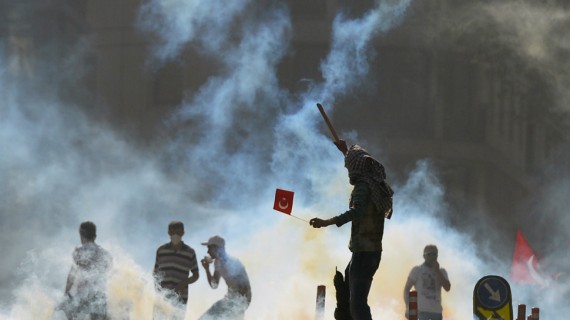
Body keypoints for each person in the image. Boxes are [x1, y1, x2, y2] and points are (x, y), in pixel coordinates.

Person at [310, 140, 394, 320]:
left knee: (357, 304)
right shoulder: (376, 184)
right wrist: (345, 151)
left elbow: (357, 211)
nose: (348, 170)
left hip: (363, 253)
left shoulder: (363, 187)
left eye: (349, 166)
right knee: (350, 298)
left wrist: (326, 222)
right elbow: (358, 163)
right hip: (370, 252)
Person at [60, 221, 113, 320]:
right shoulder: (105, 254)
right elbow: (109, 274)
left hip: (83, 296)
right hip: (100, 296)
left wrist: (66, 293)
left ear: (81, 235)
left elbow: (72, 275)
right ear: (95, 236)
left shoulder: (79, 251)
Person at [199, 235, 252, 320]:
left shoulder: (233, 262)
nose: (208, 251)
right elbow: (214, 285)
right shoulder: (217, 262)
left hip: (239, 301)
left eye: (209, 248)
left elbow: (244, 288)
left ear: (216, 248)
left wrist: (239, 309)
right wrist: (207, 269)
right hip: (230, 299)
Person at [153, 221, 199, 306]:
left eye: (178, 232)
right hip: (162, 298)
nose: (175, 235)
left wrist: (184, 283)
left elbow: (196, 275)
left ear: (183, 233)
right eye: (172, 232)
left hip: (180, 299)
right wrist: (158, 290)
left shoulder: (190, 252)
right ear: (168, 232)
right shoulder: (161, 250)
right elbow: (155, 273)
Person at [403, 245, 451, 320]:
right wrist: (408, 307)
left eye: (434, 254)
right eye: (429, 254)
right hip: (421, 311)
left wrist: (437, 271)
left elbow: (447, 288)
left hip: (437, 313)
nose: (432, 256)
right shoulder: (417, 270)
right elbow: (406, 289)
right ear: (424, 256)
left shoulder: (442, 271)